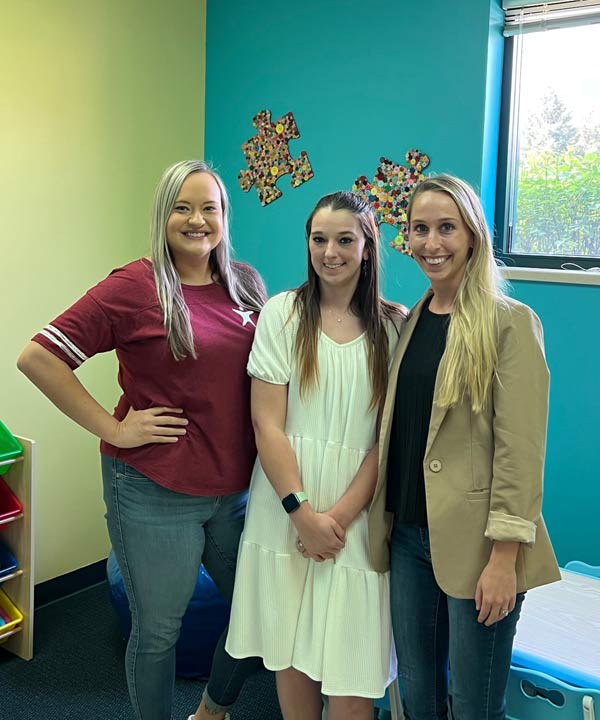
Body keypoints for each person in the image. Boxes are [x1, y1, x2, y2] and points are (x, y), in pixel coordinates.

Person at [17, 160, 266, 720]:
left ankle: (211, 711)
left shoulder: (245, 284)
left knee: (259, 611)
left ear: (225, 217)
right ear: (163, 215)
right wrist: (114, 427)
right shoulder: (134, 286)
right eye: (183, 206)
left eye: (209, 208)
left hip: (235, 490)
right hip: (153, 488)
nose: (197, 219)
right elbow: (38, 357)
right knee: (158, 631)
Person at [370, 174, 561, 720]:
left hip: (481, 546)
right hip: (409, 537)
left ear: (473, 236)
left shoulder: (509, 324)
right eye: (419, 229)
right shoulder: (410, 321)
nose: (432, 243)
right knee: (418, 693)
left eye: (446, 228)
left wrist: (504, 558)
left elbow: (520, 452)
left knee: (475, 705)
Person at [224, 191, 405, 720]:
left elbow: (385, 442)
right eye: (320, 239)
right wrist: (302, 514)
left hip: (358, 513)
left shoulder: (394, 326)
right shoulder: (282, 313)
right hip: (286, 504)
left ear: (368, 248)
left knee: (354, 658)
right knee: (291, 647)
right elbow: (268, 424)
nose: (331, 252)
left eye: (345, 240)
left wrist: (337, 519)